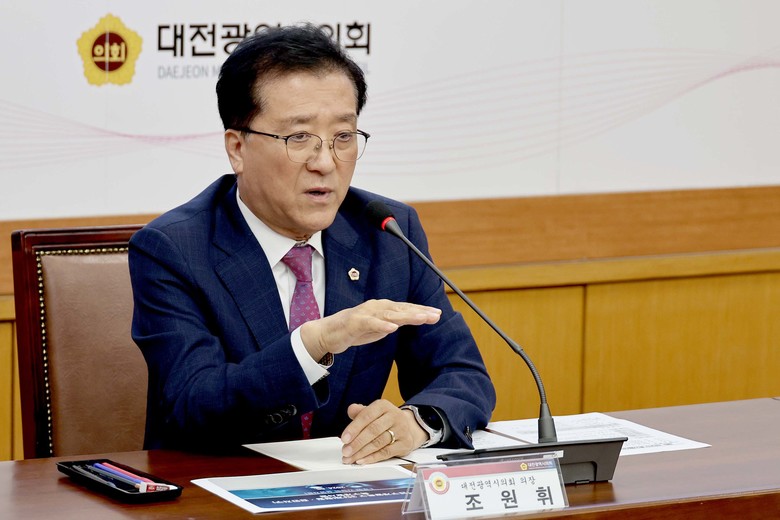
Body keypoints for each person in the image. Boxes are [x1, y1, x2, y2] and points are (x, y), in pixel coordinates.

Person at [129, 23, 495, 464]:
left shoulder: (388, 233)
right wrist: (315, 342)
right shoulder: (174, 249)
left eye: (343, 137)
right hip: (216, 486)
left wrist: (418, 422)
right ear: (238, 148)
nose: (325, 162)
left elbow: (462, 374)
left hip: (349, 488)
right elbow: (194, 404)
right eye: (298, 137)